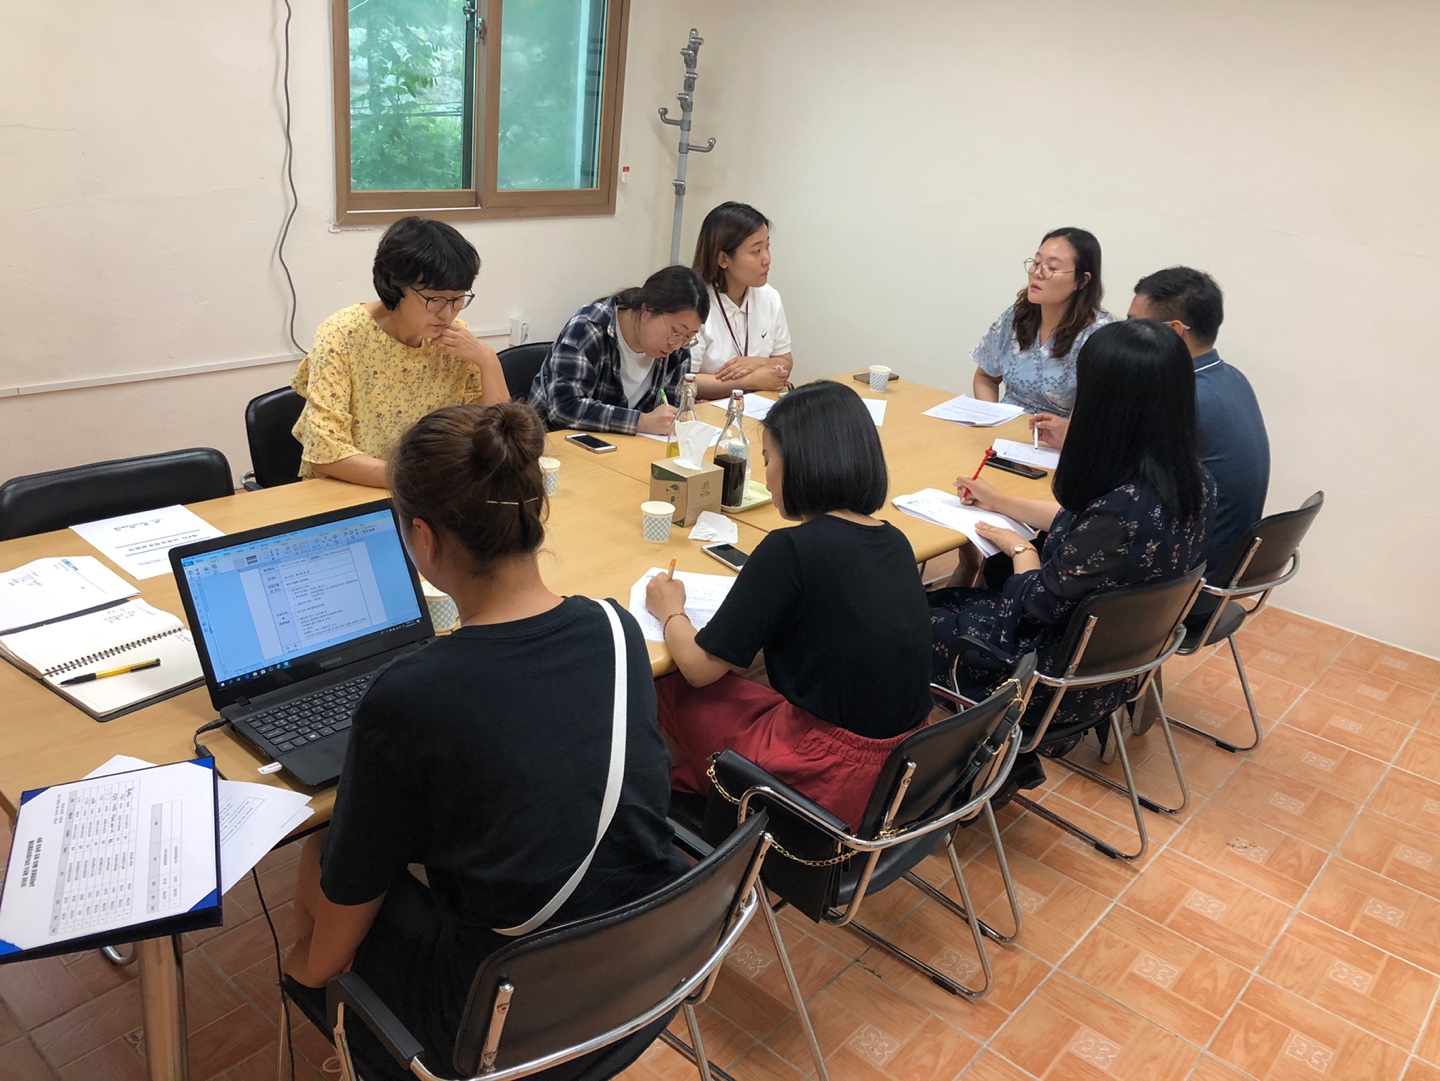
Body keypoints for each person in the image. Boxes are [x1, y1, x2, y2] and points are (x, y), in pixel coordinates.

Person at [283, 402, 687, 1080]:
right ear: (535, 510)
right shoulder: (616, 628)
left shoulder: (411, 692)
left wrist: (308, 968)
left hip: (496, 1020)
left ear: (422, 538)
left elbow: (352, 879)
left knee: (323, 848)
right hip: (638, 974)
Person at [931, 320, 1215, 786]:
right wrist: (998, 501)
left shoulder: (1117, 509)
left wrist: (1016, 546)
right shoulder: (1191, 482)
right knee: (954, 594)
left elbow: (1034, 602)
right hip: (1117, 670)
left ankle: (967, 763)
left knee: (912, 619)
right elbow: (1078, 522)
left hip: (1042, 682)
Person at [645, 381, 932, 829]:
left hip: (816, 780)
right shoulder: (893, 540)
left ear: (799, 464)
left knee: (665, 681)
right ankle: (702, 783)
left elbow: (700, 669)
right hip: (899, 770)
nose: (765, 476)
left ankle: (698, 802)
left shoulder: (791, 549)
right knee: (741, 687)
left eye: (767, 460)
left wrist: (670, 610)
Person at [1031, 267, 1269, 602]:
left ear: (1172, 331)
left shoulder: (1183, 400)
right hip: (1207, 565)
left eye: (1134, 324)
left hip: (1175, 586)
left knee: (1027, 550)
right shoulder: (1230, 378)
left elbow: (1108, 491)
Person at [289, 216, 509, 488]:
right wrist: (422, 480)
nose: (447, 313)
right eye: (434, 299)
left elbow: (499, 440)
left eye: (457, 299)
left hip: (428, 492)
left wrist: (488, 361)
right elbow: (325, 455)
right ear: (395, 285)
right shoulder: (342, 335)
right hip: (352, 490)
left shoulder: (455, 339)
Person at [528, 266, 709, 434]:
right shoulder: (588, 329)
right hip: (558, 444)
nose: (676, 345)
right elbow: (563, 409)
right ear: (647, 310)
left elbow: (671, 413)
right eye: (675, 332)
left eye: (688, 337)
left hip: (626, 449)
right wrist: (641, 422)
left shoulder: (679, 351)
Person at [971, 227, 1111, 416]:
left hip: (1061, 433)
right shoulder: (1017, 315)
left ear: (1082, 281)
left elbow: (1100, 411)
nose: (1037, 273)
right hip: (1006, 427)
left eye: (1051, 268)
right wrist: (990, 416)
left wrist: (1063, 430)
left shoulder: (1099, 336)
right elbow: (985, 377)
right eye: (1036, 263)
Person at [689, 201, 794, 398]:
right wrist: (748, 381)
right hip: (708, 409)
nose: (767, 259)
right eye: (756, 251)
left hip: (757, 405)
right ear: (723, 259)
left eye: (767, 247)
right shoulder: (694, 303)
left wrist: (757, 363)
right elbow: (685, 380)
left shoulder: (769, 297)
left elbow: (785, 361)